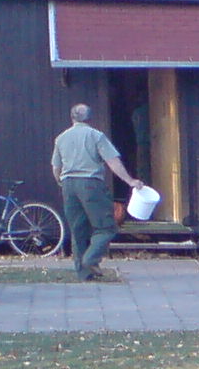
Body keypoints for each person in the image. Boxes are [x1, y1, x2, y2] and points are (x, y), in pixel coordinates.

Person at [50, 102, 142, 282]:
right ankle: (91, 259)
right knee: (107, 226)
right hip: (91, 184)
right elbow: (112, 161)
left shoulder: (61, 138)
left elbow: (56, 167)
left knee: (78, 230)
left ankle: (83, 274)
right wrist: (130, 181)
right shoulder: (96, 136)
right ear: (90, 119)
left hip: (68, 185)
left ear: (72, 117)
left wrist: (61, 182)